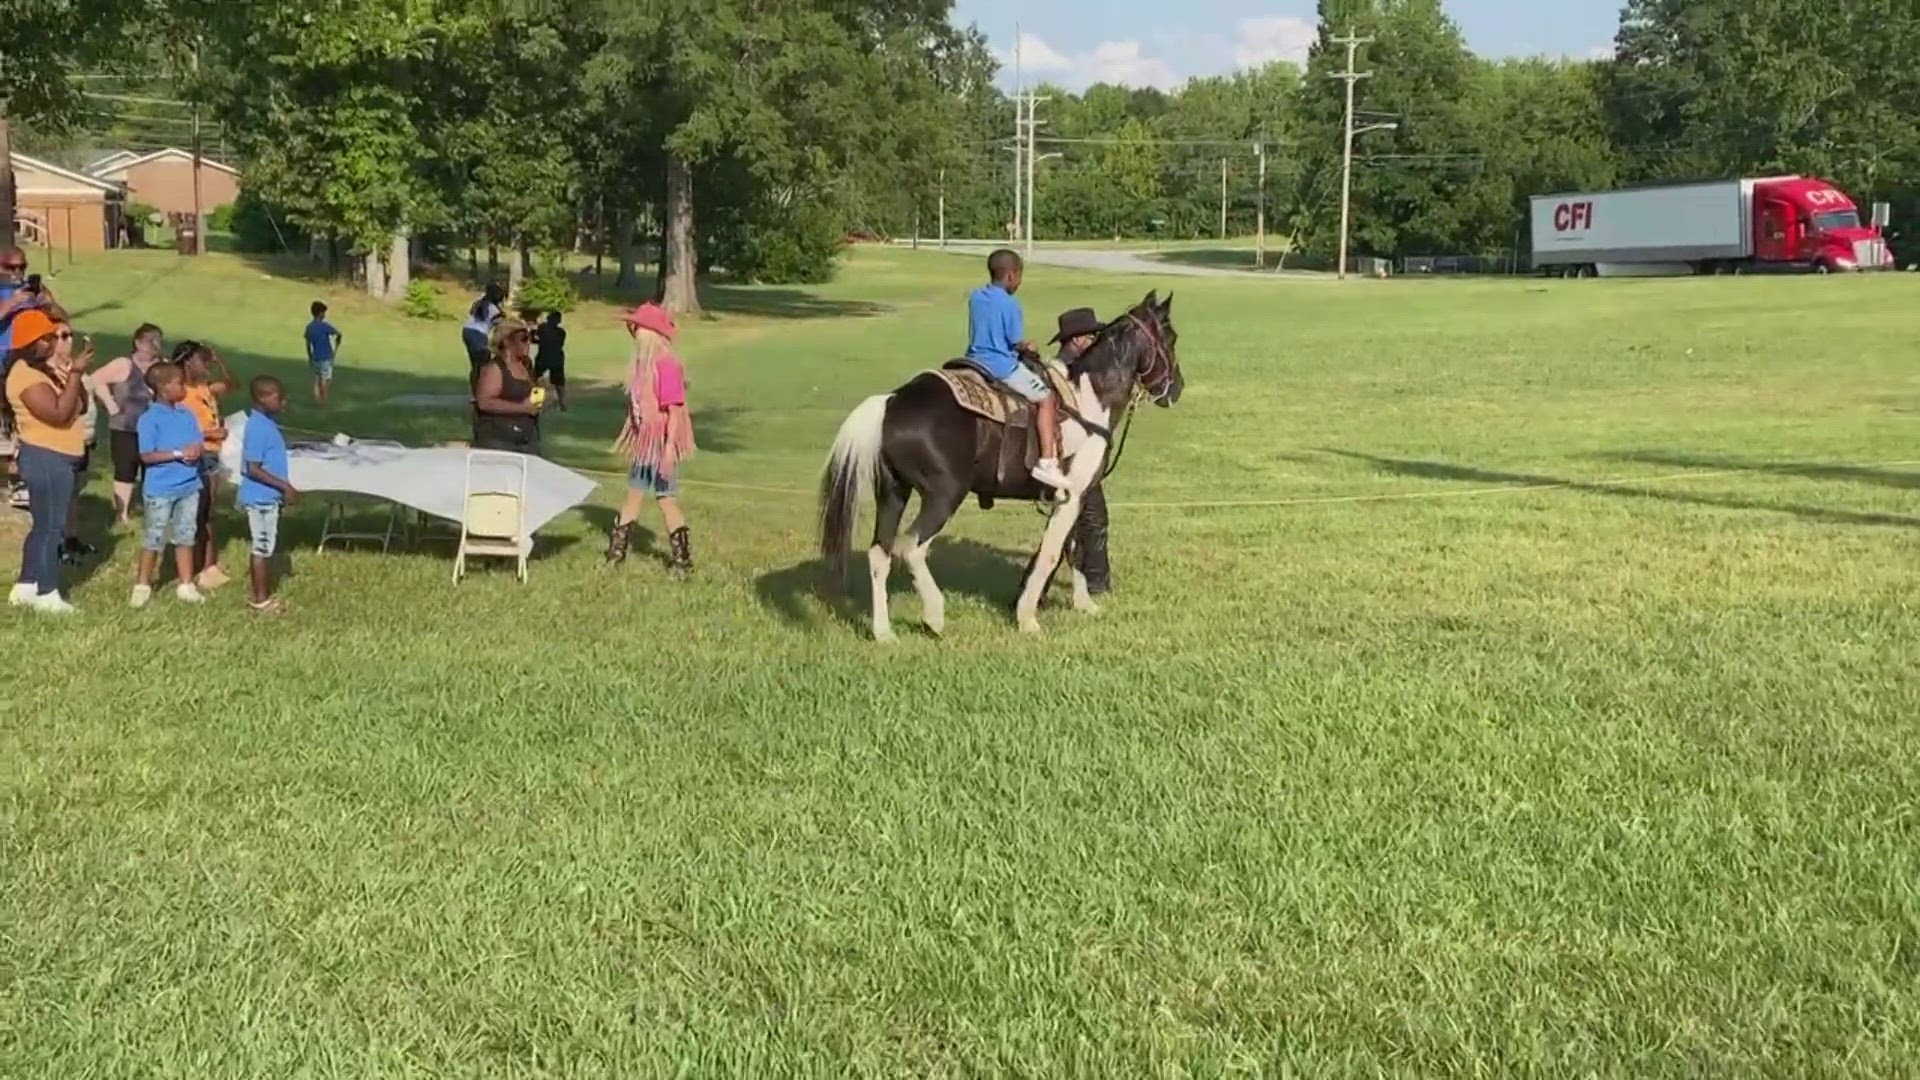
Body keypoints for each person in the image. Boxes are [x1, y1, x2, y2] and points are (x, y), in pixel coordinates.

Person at [4, 310, 93, 614]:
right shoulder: (25, 374)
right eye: (49, 338)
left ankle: (26, 586)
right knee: (50, 527)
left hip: (59, 457)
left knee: (43, 526)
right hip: (45, 456)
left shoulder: (46, 370)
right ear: (32, 341)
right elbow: (57, 414)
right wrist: (77, 374)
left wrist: (71, 373)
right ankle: (47, 593)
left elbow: (80, 406)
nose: (55, 341)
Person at [966, 249, 1069, 490]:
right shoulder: (1011, 304)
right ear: (1012, 275)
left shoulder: (976, 297)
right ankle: (1047, 462)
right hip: (1001, 365)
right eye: (1019, 276)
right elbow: (1014, 341)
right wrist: (1028, 345)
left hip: (974, 360)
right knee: (1046, 398)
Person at [607, 302, 696, 573]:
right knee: (634, 494)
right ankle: (616, 553)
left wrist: (669, 450)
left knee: (665, 497)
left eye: (637, 327)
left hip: (659, 441)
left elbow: (676, 410)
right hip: (645, 442)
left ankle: (682, 559)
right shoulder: (643, 364)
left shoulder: (666, 364)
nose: (633, 331)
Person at [131, 362, 207, 608]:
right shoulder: (149, 418)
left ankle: (186, 583)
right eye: (179, 384)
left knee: (186, 535)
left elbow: (197, 441)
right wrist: (177, 454)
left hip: (189, 485)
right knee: (154, 535)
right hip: (161, 489)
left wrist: (196, 450)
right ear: (163, 388)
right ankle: (142, 584)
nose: (183, 388)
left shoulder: (187, 414)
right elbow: (147, 455)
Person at [1052, 308, 1113, 597]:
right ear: (1076, 341)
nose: (1095, 342)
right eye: (1091, 337)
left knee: (1095, 518)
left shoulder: (1078, 369)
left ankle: (1098, 581)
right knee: (1083, 521)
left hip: (1082, 457)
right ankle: (1090, 583)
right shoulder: (1062, 372)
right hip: (1072, 459)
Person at [91, 322, 166, 525]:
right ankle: (122, 514)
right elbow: (95, 379)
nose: (153, 346)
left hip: (155, 430)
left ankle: (154, 512)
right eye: (149, 341)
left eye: (157, 341)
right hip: (125, 427)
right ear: (137, 342)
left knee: (155, 470)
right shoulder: (123, 364)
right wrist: (109, 403)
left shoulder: (163, 366)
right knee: (125, 470)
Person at [176, 341, 234, 590]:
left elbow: (231, 384)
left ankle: (209, 566)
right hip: (199, 454)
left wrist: (219, 360)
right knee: (199, 513)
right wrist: (213, 434)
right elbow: (184, 429)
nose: (208, 367)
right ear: (188, 363)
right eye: (204, 362)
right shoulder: (183, 394)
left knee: (208, 512)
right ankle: (198, 568)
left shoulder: (204, 387)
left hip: (212, 455)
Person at [238, 375, 298, 614]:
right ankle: (261, 600)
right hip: (259, 498)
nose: (284, 402)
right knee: (262, 547)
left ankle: (262, 596)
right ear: (262, 398)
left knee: (267, 546)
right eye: (278, 397)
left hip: (268, 497)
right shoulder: (258, 428)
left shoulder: (267, 423)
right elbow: (253, 467)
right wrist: (285, 487)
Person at [471, 320, 543, 455]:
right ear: (507, 342)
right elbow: (485, 402)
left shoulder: (526, 365)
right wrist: (522, 408)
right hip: (498, 441)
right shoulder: (494, 369)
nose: (528, 343)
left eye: (530, 338)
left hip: (526, 438)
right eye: (523, 339)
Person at [462, 284, 506, 391]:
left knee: (476, 365)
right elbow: (501, 324)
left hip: (467, 331)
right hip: (478, 334)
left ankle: (476, 391)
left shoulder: (479, 303)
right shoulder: (493, 309)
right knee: (484, 365)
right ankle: (483, 391)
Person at [304, 300, 342, 406]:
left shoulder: (309, 327)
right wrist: (338, 341)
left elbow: (308, 343)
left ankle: (317, 400)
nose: (325, 315)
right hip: (326, 357)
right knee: (325, 380)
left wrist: (310, 356)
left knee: (317, 379)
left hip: (315, 356)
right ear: (320, 313)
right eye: (324, 312)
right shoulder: (324, 326)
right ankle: (323, 402)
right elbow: (338, 333)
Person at [534, 309, 568, 411]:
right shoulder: (561, 332)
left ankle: (537, 402)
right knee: (559, 382)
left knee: (537, 378)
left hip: (544, 356)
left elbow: (536, 338)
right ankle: (562, 404)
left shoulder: (542, 328)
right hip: (557, 356)